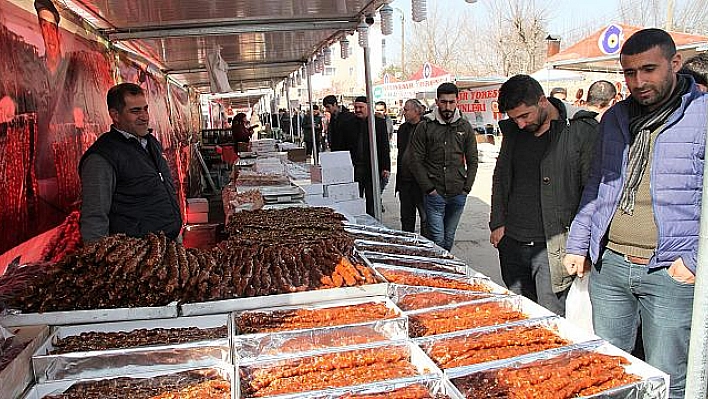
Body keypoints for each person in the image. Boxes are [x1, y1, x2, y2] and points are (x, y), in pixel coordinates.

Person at [563, 28, 708, 399]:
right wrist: (580, 242)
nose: (638, 81)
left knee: (669, 374)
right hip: (610, 265)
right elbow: (598, 182)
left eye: (648, 69)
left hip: (670, 271)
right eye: (629, 73)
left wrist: (693, 261)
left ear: (675, 63)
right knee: (609, 368)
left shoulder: (701, 116)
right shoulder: (615, 118)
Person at [490, 75, 600, 316]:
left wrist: (581, 246)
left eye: (524, 116)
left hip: (554, 247)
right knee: (520, 316)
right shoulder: (514, 133)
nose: (519, 124)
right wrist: (497, 222)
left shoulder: (579, 131)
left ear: (542, 101)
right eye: (513, 118)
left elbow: (592, 192)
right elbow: (500, 177)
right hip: (512, 243)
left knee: (552, 320)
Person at [79, 83, 182, 242]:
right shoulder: (101, 157)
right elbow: (94, 216)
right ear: (115, 115)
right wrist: (100, 261)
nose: (144, 116)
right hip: (138, 255)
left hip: (169, 244)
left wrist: (175, 232)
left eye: (145, 109)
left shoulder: (151, 142)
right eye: (135, 111)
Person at [409, 82, 478, 251]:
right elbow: (415, 160)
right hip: (435, 193)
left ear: (457, 101)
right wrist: (429, 189)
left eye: (451, 102)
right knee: (438, 240)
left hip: (458, 193)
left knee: (449, 238)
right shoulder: (425, 126)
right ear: (437, 101)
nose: (448, 106)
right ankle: (438, 271)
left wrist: (466, 188)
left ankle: (446, 273)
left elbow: (473, 160)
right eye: (444, 102)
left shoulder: (464, 126)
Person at [344, 96, 391, 217]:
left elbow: (384, 146)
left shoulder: (378, 123)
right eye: (356, 107)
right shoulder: (349, 124)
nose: (358, 110)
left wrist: (386, 167)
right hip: (355, 167)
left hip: (372, 168)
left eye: (361, 107)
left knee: (372, 200)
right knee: (354, 198)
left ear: (368, 108)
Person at [396, 99, 427, 236]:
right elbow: (400, 152)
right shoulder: (403, 129)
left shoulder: (427, 127)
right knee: (406, 217)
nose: (404, 112)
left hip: (421, 183)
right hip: (405, 181)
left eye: (407, 109)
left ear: (416, 111)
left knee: (426, 218)